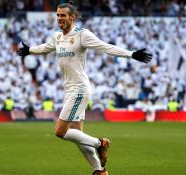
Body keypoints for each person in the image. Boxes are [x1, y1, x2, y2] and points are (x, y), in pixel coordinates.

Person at [17, 1, 152, 175]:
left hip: (79, 89)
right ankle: (99, 170)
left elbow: (105, 47)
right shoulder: (57, 36)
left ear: (72, 17)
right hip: (69, 90)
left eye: (63, 15)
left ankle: (100, 143)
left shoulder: (82, 35)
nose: (59, 18)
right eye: (57, 15)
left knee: (60, 131)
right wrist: (30, 50)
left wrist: (131, 54)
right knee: (77, 135)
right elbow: (45, 48)